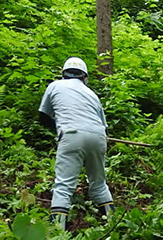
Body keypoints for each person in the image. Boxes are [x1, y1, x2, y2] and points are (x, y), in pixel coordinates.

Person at [39, 57, 114, 229]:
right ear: (85, 77)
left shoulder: (55, 86)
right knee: (99, 184)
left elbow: (43, 116)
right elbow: (104, 126)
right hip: (99, 136)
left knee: (64, 185)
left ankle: (58, 234)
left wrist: (60, 128)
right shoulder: (92, 94)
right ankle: (112, 225)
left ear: (64, 73)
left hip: (72, 135)